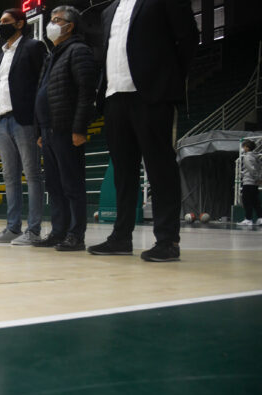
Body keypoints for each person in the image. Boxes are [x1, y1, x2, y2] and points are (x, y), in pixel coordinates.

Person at [87, 0, 199, 262]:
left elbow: (188, 37)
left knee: (160, 168)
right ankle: (121, 237)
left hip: (151, 94)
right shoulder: (108, 11)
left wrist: (166, 79)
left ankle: (167, 240)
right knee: (123, 173)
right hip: (114, 97)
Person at [32, 6, 98, 252]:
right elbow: (42, 92)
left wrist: (79, 128)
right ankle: (58, 231)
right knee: (55, 185)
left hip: (66, 128)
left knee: (72, 184)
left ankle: (75, 234)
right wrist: (38, 131)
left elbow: (85, 92)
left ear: (70, 26)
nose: (51, 24)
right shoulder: (52, 55)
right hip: (48, 130)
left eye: (56, 20)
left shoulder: (78, 51)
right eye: (51, 20)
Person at [0, 8, 48, 245]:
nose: (1, 25)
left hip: (25, 119)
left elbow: (42, 83)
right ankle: (12, 228)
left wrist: (39, 119)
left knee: (32, 174)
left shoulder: (33, 46)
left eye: (6, 21)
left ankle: (33, 230)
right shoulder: (1, 55)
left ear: (20, 23)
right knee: (10, 177)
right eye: (0, 21)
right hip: (2, 120)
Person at [238, 140, 262, 226]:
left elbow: (251, 169)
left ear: (247, 148)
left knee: (247, 201)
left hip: (248, 182)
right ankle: (260, 218)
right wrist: (259, 178)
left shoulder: (247, 157)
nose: (243, 148)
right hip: (255, 183)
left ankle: (248, 219)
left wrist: (257, 178)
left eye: (244, 146)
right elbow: (259, 168)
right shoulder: (256, 157)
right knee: (255, 201)